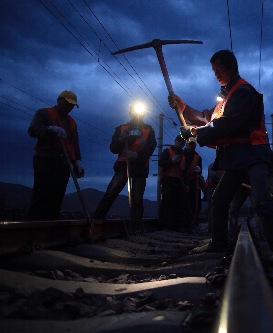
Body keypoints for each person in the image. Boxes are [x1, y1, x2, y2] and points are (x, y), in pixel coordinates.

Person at [168, 49, 273, 261]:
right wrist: (184, 107)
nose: (216, 74)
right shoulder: (227, 97)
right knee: (219, 198)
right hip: (238, 157)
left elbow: (230, 123)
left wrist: (197, 132)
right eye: (214, 71)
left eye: (220, 69)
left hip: (253, 154)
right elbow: (207, 117)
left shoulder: (243, 92)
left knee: (261, 200)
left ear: (232, 67)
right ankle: (218, 243)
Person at [93, 103, 156, 233]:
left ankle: (136, 227)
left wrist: (136, 155)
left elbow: (150, 148)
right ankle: (96, 221)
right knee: (111, 193)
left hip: (140, 167)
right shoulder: (122, 129)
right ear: (130, 113)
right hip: (123, 166)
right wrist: (121, 140)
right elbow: (113, 148)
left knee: (137, 198)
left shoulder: (149, 130)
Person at [28, 90, 84, 220]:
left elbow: (74, 143)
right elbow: (33, 130)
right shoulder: (44, 113)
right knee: (41, 193)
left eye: (72, 106)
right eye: (67, 104)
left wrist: (77, 161)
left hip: (64, 163)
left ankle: (51, 226)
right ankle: (34, 226)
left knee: (57, 195)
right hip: (46, 159)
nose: (69, 108)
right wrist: (49, 130)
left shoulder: (72, 122)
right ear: (59, 101)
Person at [158, 135, 190, 232]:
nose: (180, 143)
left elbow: (185, 171)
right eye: (179, 141)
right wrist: (171, 161)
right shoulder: (167, 151)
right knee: (167, 202)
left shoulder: (184, 154)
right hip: (168, 180)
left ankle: (176, 225)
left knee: (178, 203)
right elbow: (161, 163)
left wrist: (186, 183)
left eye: (182, 142)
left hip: (179, 181)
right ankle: (165, 225)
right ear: (175, 141)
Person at [184, 137, 203, 228]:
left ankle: (192, 222)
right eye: (190, 144)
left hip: (194, 181)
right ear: (187, 144)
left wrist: (199, 170)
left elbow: (200, 170)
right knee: (184, 201)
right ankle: (184, 222)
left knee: (194, 202)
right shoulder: (182, 154)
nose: (191, 146)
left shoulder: (198, 156)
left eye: (193, 144)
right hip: (183, 180)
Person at [205, 162, 224, 233]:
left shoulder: (226, 166)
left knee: (220, 208)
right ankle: (211, 229)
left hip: (219, 188)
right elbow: (212, 176)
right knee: (212, 209)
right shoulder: (213, 165)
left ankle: (218, 228)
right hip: (211, 188)